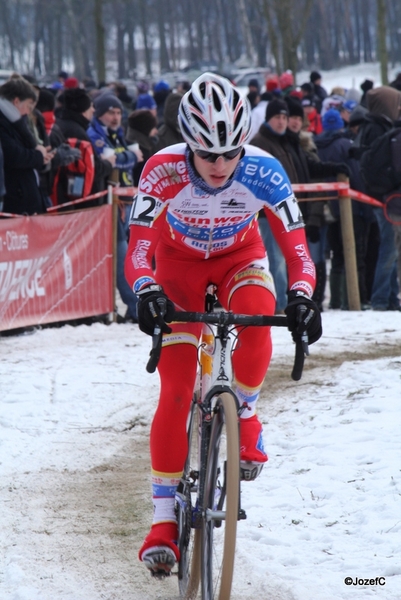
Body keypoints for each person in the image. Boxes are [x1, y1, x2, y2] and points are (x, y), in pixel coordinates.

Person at [124, 73, 322, 574]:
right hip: (176, 268)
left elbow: (298, 253)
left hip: (239, 258)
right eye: (208, 154)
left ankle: (247, 411)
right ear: (188, 144)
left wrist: (302, 297)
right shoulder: (162, 169)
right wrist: (146, 290)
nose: (220, 165)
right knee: (174, 389)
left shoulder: (265, 171)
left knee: (259, 317)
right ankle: (164, 518)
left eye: (231, 152)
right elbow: (140, 249)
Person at [87, 93, 143, 322]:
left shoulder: (117, 134)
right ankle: (135, 309)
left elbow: (131, 158)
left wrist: (123, 155)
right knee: (121, 259)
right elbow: (116, 158)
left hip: (126, 202)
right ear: (99, 113)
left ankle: (134, 307)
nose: (115, 117)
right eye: (111, 112)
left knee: (131, 257)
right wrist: (127, 155)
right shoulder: (96, 134)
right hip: (110, 206)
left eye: (119, 112)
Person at [0, 77, 54, 215]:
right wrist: (38, 156)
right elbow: (12, 155)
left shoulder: (17, 122)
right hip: (13, 199)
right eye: (29, 106)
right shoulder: (5, 123)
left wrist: (41, 157)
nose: (29, 112)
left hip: (25, 196)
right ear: (16, 101)